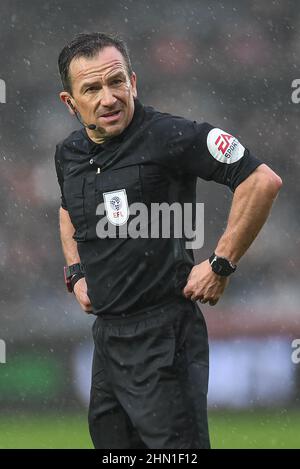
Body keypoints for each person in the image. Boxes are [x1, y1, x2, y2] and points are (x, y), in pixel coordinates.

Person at [55, 32, 282, 449]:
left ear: (133, 82)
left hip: (165, 335)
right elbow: (69, 208)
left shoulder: (171, 135)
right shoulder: (69, 154)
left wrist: (220, 263)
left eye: (116, 82)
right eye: (92, 88)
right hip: (107, 338)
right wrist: (75, 271)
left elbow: (260, 180)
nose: (109, 98)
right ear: (70, 102)